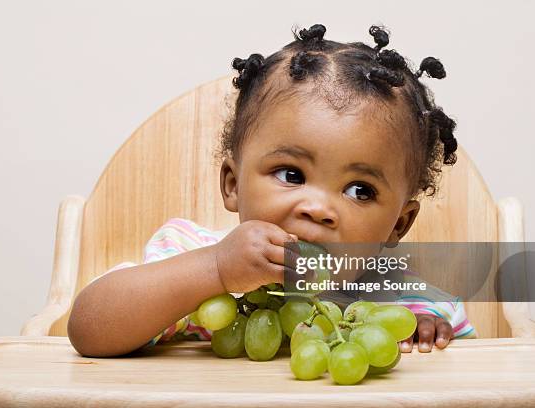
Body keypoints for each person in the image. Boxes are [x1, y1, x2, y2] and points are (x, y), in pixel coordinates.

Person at [67, 23, 475, 358]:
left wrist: (429, 339)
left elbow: (473, 382)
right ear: (232, 185)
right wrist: (213, 269)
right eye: (291, 175)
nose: (318, 208)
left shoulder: (403, 300)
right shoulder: (189, 255)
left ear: (397, 225)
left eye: (359, 190)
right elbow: (88, 328)